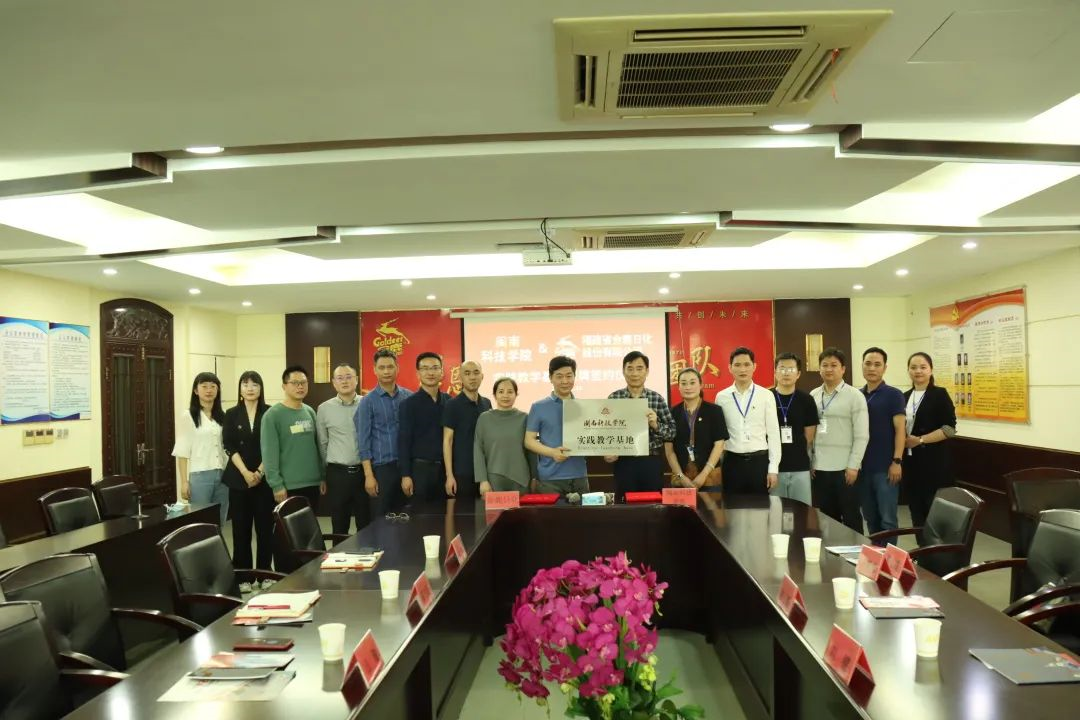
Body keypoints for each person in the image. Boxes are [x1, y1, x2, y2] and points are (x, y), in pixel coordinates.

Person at [809, 348, 869, 533]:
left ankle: (855, 551)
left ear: (843, 369)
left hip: (845, 469)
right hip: (820, 469)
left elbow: (862, 435)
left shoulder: (855, 396)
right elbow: (810, 434)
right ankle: (831, 551)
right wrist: (811, 461)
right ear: (819, 369)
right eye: (825, 365)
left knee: (851, 517)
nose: (829, 369)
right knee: (828, 520)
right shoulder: (813, 395)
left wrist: (853, 465)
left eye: (834, 365)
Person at [222, 371, 274, 577]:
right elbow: (229, 445)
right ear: (240, 389)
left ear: (261, 388)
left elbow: (273, 446)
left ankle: (264, 572)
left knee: (265, 528)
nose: (250, 388)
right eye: (245, 384)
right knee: (240, 530)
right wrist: (245, 472)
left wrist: (259, 472)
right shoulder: (231, 413)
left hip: (264, 478)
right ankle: (242, 575)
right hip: (238, 479)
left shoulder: (270, 412)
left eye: (255, 384)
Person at [903, 351, 958, 543]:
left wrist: (920, 440)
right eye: (913, 367)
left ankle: (938, 552)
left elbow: (949, 429)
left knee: (935, 514)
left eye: (923, 367)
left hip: (935, 464)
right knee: (916, 513)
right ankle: (922, 551)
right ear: (908, 370)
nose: (918, 371)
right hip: (911, 464)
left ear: (931, 370)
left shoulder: (939, 394)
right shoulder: (904, 396)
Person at [605, 351, 676, 499]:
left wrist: (656, 425)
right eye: (630, 368)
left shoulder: (656, 399)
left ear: (647, 371)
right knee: (624, 506)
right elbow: (605, 432)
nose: (635, 373)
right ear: (623, 371)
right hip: (624, 462)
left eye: (639, 368)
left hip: (651, 461)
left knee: (652, 505)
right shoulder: (614, 398)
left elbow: (672, 432)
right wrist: (607, 451)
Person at [715, 347, 781, 495]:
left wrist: (773, 469)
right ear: (730, 368)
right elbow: (718, 434)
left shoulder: (766, 395)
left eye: (746, 364)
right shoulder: (721, 397)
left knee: (760, 507)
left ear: (754, 366)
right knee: (732, 506)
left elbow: (774, 434)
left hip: (759, 462)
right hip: (732, 462)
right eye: (737, 365)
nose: (742, 369)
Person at [356, 349, 413, 517]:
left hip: (407, 467)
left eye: (390, 366)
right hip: (382, 470)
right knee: (381, 520)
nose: (386, 371)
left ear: (397, 368)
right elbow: (363, 441)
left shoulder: (408, 397)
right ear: (375, 370)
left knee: (407, 517)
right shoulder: (367, 401)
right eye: (382, 367)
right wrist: (369, 476)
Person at [859, 347, 907, 543]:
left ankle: (890, 559)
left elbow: (900, 430)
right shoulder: (857, 394)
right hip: (862, 468)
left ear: (885, 368)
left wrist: (897, 461)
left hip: (886, 468)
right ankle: (876, 556)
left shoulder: (893, 395)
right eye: (868, 364)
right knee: (870, 517)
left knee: (888, 519)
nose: (872, 368)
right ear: (862, 366)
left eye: (877, 364)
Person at [261, 366, 325, 509]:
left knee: (310, 522)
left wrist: (322, 476)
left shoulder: (309, 411)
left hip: (312, 483)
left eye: (303, 382)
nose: (300, 386)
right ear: (284, 386)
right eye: (295, 383)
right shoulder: (272, 415)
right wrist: (276, 484)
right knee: (290, 523)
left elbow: (317, 447)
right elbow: (269, 454)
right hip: (288, 486)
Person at [525, 356, 589, 496]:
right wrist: (552, 452)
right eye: (559, 376)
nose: (565, 381)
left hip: (579, 476)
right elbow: (529, 441)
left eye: (569, 376)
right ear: (550, 378)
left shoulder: (584, 407)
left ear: (575, 376)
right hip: (550, 479)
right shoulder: (538, 407)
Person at [317, 363, 368, 534]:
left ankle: (366, 551)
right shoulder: (324, 409)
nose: (344, 381)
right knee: (339, 525)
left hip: (364, 473)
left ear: (356, 380)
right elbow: (322, 443)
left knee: (365, 523)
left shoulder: (367, 403)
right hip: (337, 475)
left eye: (348, 377)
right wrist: (323, 475)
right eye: (340, 378)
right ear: (334, 382)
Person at [172, 372, 228, 525]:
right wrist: (184, 482)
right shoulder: (188, 416)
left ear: (218, 390)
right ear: (196, 391)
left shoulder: (222, 416)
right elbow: (182, 451)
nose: (209, 390)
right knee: (200, 521)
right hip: (200, 476)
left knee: (220, 519)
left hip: (223, 475)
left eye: (213, 386)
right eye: (204, 386)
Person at [399, 352, 450, 508]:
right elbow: (404, 441)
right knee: (420, 515)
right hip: (420, 471)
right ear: (418, 373)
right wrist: (406, 475)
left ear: (441, 372)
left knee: (446, 514)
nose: (430, 372)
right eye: (425, 368)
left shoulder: (449, 401)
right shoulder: (408, 404)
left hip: (445, 470)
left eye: (435, 368)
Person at [664, 368, 727, 491]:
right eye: (683, 383)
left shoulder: (714, 411)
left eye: (692, 382)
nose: (688, 387)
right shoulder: (672, 413)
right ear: (678, 387)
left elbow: (719, 445)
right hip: (680, 477)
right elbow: (669, 451)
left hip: (710, 477)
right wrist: (681, 477)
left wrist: (703, 475)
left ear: (701, 384)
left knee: (710, 505)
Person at [770, 353, 818, 505]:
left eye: (791, 369)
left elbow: (809, 437)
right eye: (782, 368)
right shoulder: (767, 397)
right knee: (775, 512)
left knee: (801, 511)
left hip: (799, 466)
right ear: (775, 372)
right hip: (773, 469)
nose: (786, 373)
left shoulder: (807, 400)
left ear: (798, 374)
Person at [474, 377, 536, 494]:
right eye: (501, 392)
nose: (505, 396)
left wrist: (534, 477)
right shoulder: (484, 418)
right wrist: (483, 480)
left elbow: (531, 451)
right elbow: (478, 450)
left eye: (510, 392)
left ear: (516, 394)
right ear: (494, 395)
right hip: (494, 478)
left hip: (521, 478)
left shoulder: (524, 418)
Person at [443, 360, 491, 501]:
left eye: (476, 373)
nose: (472, 377)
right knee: (464, 513)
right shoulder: (452, 405)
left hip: (486, 472)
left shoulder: (486, 403)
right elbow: (447, 441)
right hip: (462, 472)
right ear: (461, 377)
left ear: (482, 376)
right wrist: (449, 475)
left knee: (487, 512)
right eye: (467, 373)